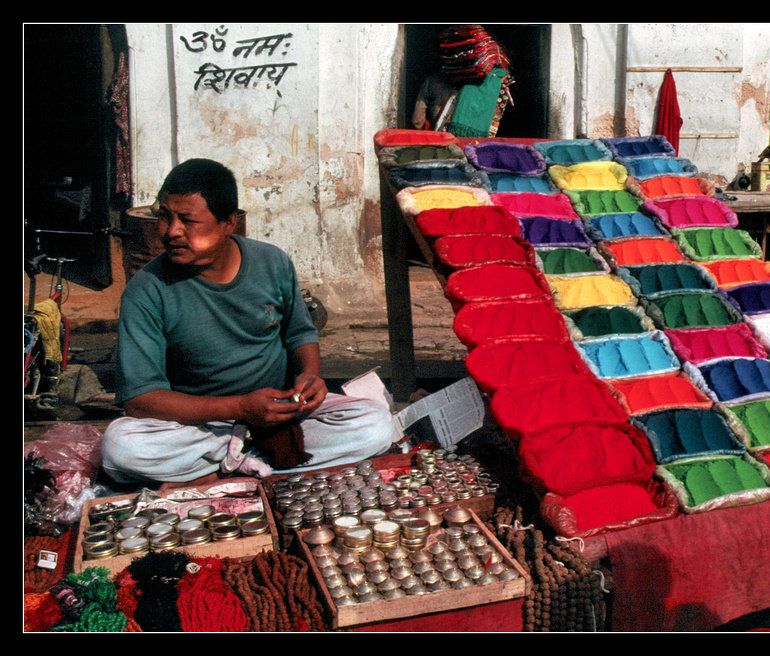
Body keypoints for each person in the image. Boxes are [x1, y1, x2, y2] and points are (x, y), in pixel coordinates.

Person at [101, 158, 394, 484]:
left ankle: (233, 463)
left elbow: (300, 333)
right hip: (198, 426)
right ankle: (262, 459)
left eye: (188, 220)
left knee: (376, 422)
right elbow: (141, 402)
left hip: (279, 416)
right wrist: (240, 408)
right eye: (164, 217)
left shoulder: (272, 263)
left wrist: (310, 375)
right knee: (121, 447)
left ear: (228, 223)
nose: (172, 231)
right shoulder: (145, 291)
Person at [411, 25, 514, 137]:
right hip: (472, 142)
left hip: (440, 137)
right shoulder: (481, 81)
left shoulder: (432, 81)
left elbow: (417, 120)